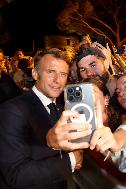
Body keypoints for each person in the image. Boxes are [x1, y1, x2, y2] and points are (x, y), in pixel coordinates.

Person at [0, 48, 83, 189]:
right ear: (35, 74)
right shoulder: (12, 110)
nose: (57, 80)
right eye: (51, 72)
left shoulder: (63, 107)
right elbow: (16, 175)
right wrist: (71, 160)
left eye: (63, 74)